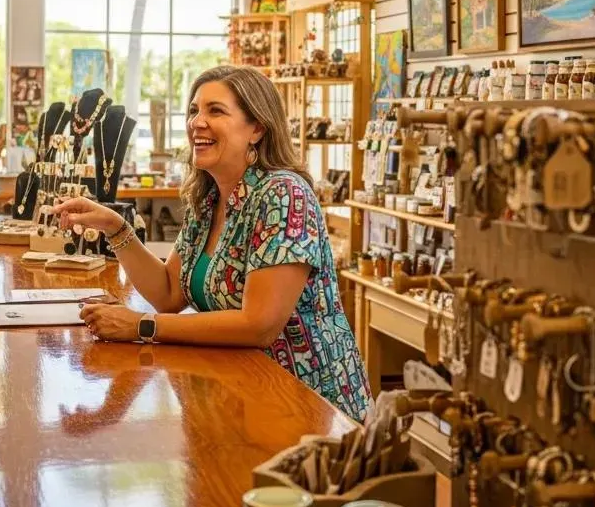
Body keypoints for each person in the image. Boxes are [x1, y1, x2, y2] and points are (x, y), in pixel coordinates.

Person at [56, 64, 371, 422]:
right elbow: (168, 293)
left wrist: (142, 325)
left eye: (215, 111)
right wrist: (115, 227)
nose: (196, 122)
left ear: (257, 129)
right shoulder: (208, 200)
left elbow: (259, 325)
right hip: (237, 394)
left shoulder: (284, 194)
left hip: (304, 404)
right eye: (193, 111)